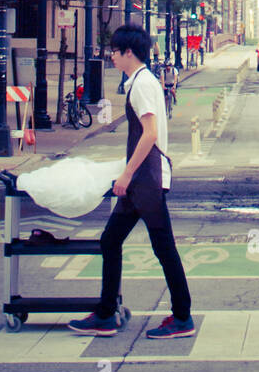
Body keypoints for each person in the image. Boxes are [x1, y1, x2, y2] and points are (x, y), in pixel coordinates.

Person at [68, 24, 193, 339]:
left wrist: (126, 175)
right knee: (111, 241)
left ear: (127, 52)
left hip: (146, 182)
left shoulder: (142, 84)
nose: (110, 56)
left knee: (163, 248)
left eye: (113, 50)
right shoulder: (140, 81)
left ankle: (181, 318)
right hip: (143, 181)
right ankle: (106, 314)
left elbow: (149, 133)